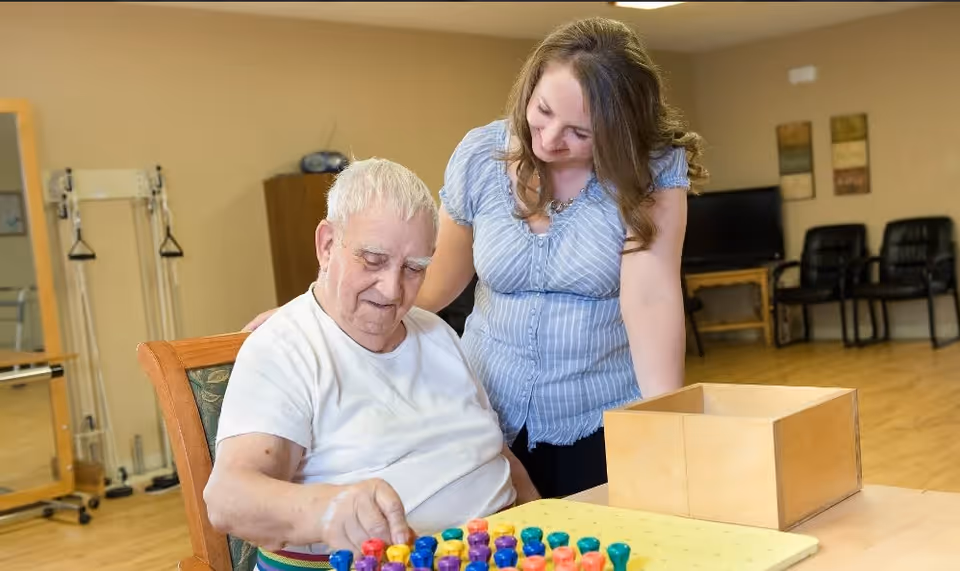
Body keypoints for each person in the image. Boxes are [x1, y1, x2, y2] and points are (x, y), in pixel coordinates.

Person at [244, 17, 707, 500]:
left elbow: (650, 299)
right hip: (483, 414)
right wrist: (318, 315)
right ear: (529, 86)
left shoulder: (650, 168)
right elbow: (433, 282)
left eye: (579, 132)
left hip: (598, 414)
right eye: (542, 111)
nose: (549, 140)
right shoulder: (482, 155)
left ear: (618, 130)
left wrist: (664, 427)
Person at [207, 158, 539, 569]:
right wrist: (330, 508)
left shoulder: (436, 334)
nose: (392, 289)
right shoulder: (285, 347)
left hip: (508, 551)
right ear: (327, 245)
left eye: (414, 268)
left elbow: (496, 454)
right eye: (373, 259)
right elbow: (227, 498)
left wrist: (545, 520)